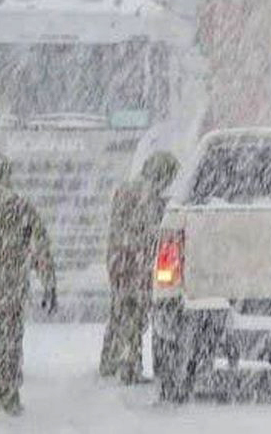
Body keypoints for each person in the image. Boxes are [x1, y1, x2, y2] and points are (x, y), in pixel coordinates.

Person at [0, 149, 57, 414]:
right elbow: (40, 248)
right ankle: (8, 396)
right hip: (11, 287)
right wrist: (49, 284)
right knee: (8, 341)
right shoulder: (21, 207)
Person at [100, 152, 180, 383]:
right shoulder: (147, 196)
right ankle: (130, 368)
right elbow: (149, 232)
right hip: (134, 263)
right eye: (168, 177)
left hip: (119, 260)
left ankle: (109, 360)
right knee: (133, 315)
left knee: (120, 310)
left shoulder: (127, 189)